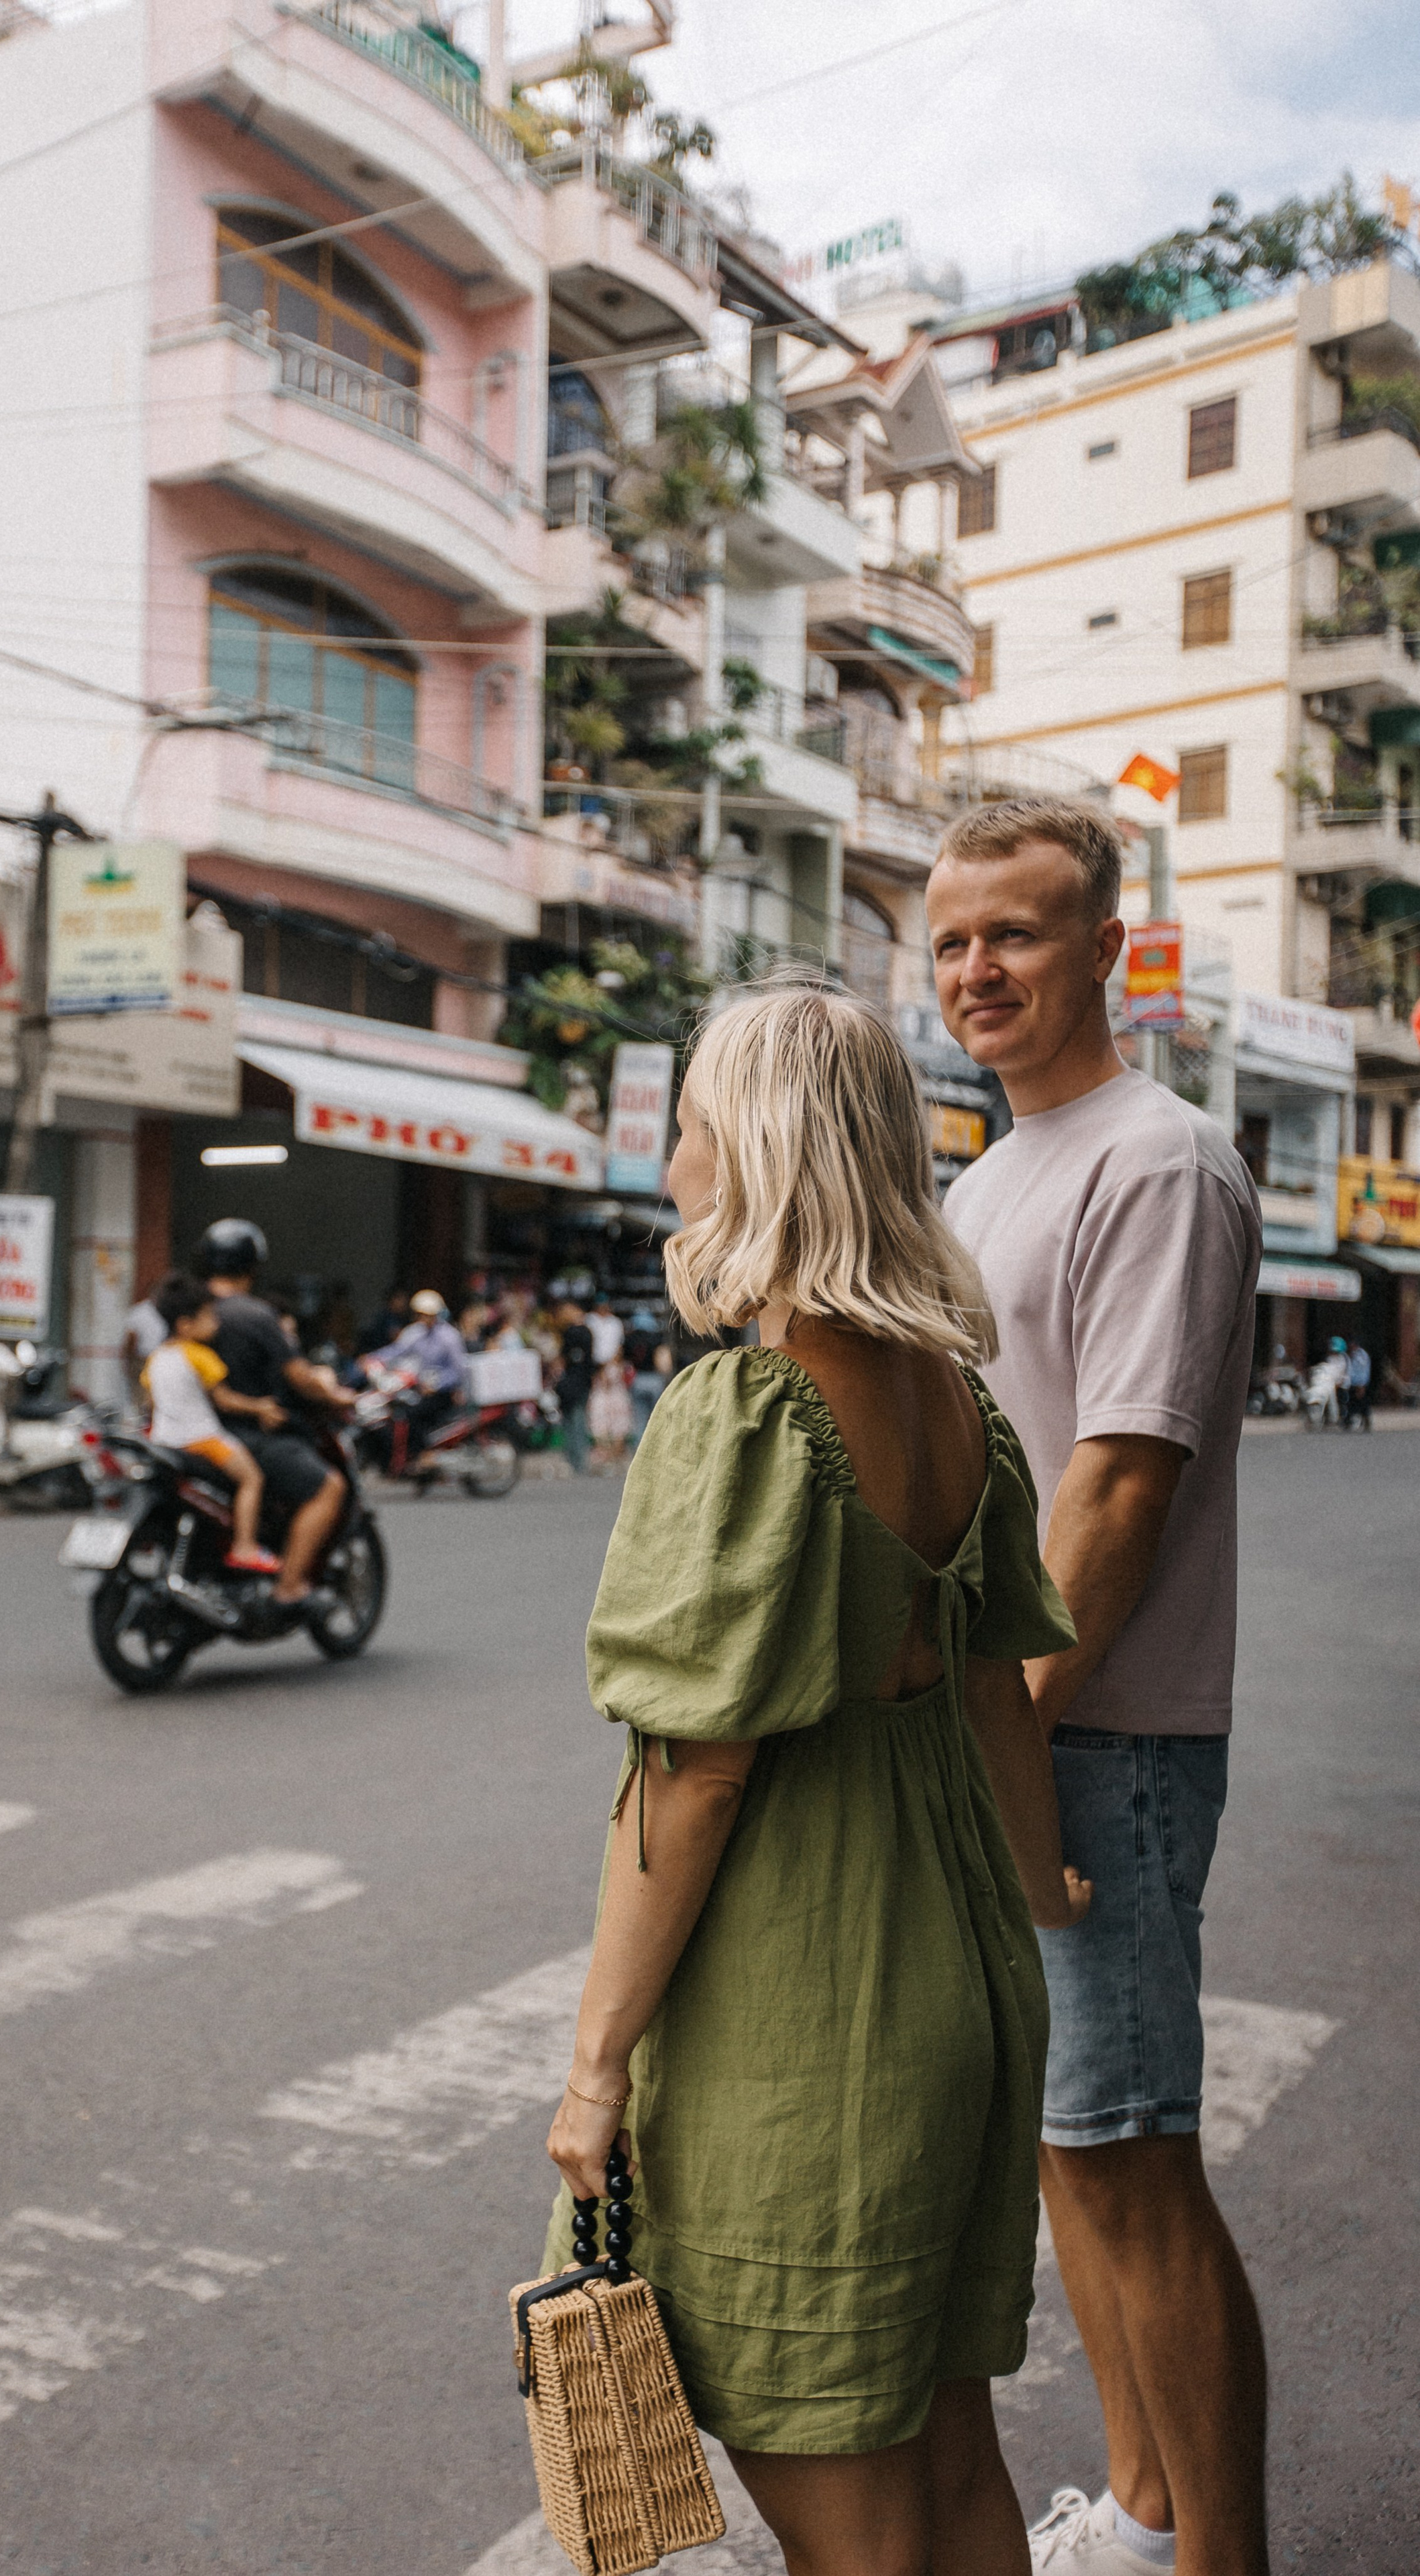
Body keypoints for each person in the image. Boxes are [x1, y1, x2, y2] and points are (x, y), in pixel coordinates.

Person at [543, 987, 1089, 2576]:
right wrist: (1042, 1884)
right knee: (944, 2452)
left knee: (843, 2514)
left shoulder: (751, 1407)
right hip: (957, 1974)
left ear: (758, 1149)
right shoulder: (952, 1401)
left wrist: (594, 2063)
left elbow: (694, 1774)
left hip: (810, 2001)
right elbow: (994, 1694)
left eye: (690, 1122)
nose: (671, 1156)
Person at [927, 799, 1266, 2576]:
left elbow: (1117, 1497)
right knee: (1072, 2155)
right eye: (953, 942)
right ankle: (1142, 2520)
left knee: (1136, 2172)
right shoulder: (987, 1179)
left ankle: (1222, 2557)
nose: (978, 969)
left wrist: (1005, 1733)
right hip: (1023, 1733)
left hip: (1103, 1740)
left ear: (1109, 951)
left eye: (1018, 933)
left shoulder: (1160, 1160)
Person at [195, 1220, 353, 1609]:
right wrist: (333, 1395)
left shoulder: (186, 1311)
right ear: (252, 1266)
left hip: (188, 1436)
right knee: (329, 1487)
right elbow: (298, 1376)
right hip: (246, 1435)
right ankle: (290, 1586)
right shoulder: (256, 1315)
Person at [144, 1273, 278, 1573]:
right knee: (252, 1479)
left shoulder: (156, 1358)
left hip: (165, 1440)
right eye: (208, 1316)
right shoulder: (201, 1356)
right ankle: (245, 1548)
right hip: (202, 1439)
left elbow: (151, 1402)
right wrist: (261, 1407)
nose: (216, 1323)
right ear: (185, 1325)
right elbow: (226, 1400)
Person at [371, 1288, 469, 1459]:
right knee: (399, 1408)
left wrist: (437, 1385)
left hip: (443, 1393)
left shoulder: (449, 1337)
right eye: (421, 1314)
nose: (424, 1318)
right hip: (421, 1389)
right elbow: (397, 1351)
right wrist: (372, 1359)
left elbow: (459, 1370)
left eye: (428, 1314)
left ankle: (424, 1456)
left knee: (412, 1415)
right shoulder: (416, 1333)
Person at [551, 1298, 596, 1474]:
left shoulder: (571, 1332)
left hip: (572, 1383)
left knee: (573, 1422)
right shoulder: (587, 1332)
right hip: (583, 1383)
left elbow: (563, 1359)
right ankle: (579, 1460)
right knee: (578, 1421)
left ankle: (575, 1459)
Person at [623, 1307, 673, 1449]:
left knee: (639, 1420)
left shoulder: (630, 1339)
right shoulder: (657, 1338)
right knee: (657, 1419)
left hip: (638, 1380)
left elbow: (625, 1361)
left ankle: (639, 1452)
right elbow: (664, 1363)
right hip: (655, 1380)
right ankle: (658, 1449)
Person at [1344, 1338, 1373, 1431]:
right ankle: (1348, 1422)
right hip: (1352, 1384)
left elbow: (1363, 1371)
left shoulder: (1361, 1356)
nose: (1350, 1347)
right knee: (1351, 1404)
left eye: (1352, 1345)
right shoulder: (1351, 1355)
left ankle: (1367, 1421)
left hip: (1360, 1384)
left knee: (1362, 1404)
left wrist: (1361, 1385)